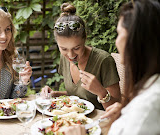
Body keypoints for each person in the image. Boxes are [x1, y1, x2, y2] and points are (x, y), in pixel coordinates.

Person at [63, 0, 160, 134]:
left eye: (119, 33)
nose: (116, 41)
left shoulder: (148, 106)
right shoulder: (147, 89)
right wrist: (123, 114)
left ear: (137, 41)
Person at [41, 3, 121, 110]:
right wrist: (55, 94)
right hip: (74, 121)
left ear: (85, 39)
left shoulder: (104, 60)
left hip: (100, 123)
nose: (71, 55)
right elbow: (78, 96)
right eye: (64, 49)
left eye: (76, 48)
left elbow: (117, 109)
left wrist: (101, 92)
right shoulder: (64, 59)